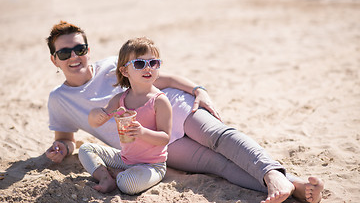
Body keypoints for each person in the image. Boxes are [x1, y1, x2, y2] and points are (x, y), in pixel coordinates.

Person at [45, 21, 324, 203]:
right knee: (218, 165)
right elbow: (66, 139)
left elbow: (163, 79)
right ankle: (293, 186)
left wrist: (198, 89)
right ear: (54, 60)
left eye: (79, 48)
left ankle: (273, 175)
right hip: (155, 141)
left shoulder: (113, 66)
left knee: (221, 137)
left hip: (176, 107)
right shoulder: (59, 99)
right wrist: (60, 148)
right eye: (65, 52)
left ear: (88, 50)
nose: (74, 56)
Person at [78, 37, 172, 194]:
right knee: (85, 149)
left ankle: (117, 176)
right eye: (139, 64)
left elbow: (165, 138)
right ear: (124, 71)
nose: (148, 68)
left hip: (152, 165)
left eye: (153, 63)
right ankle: (106, 177)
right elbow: (95, 122)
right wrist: (98, 115)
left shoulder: (160, 101)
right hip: (124, 159)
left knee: (127, 185)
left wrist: (142, 132)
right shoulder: (120, 99)